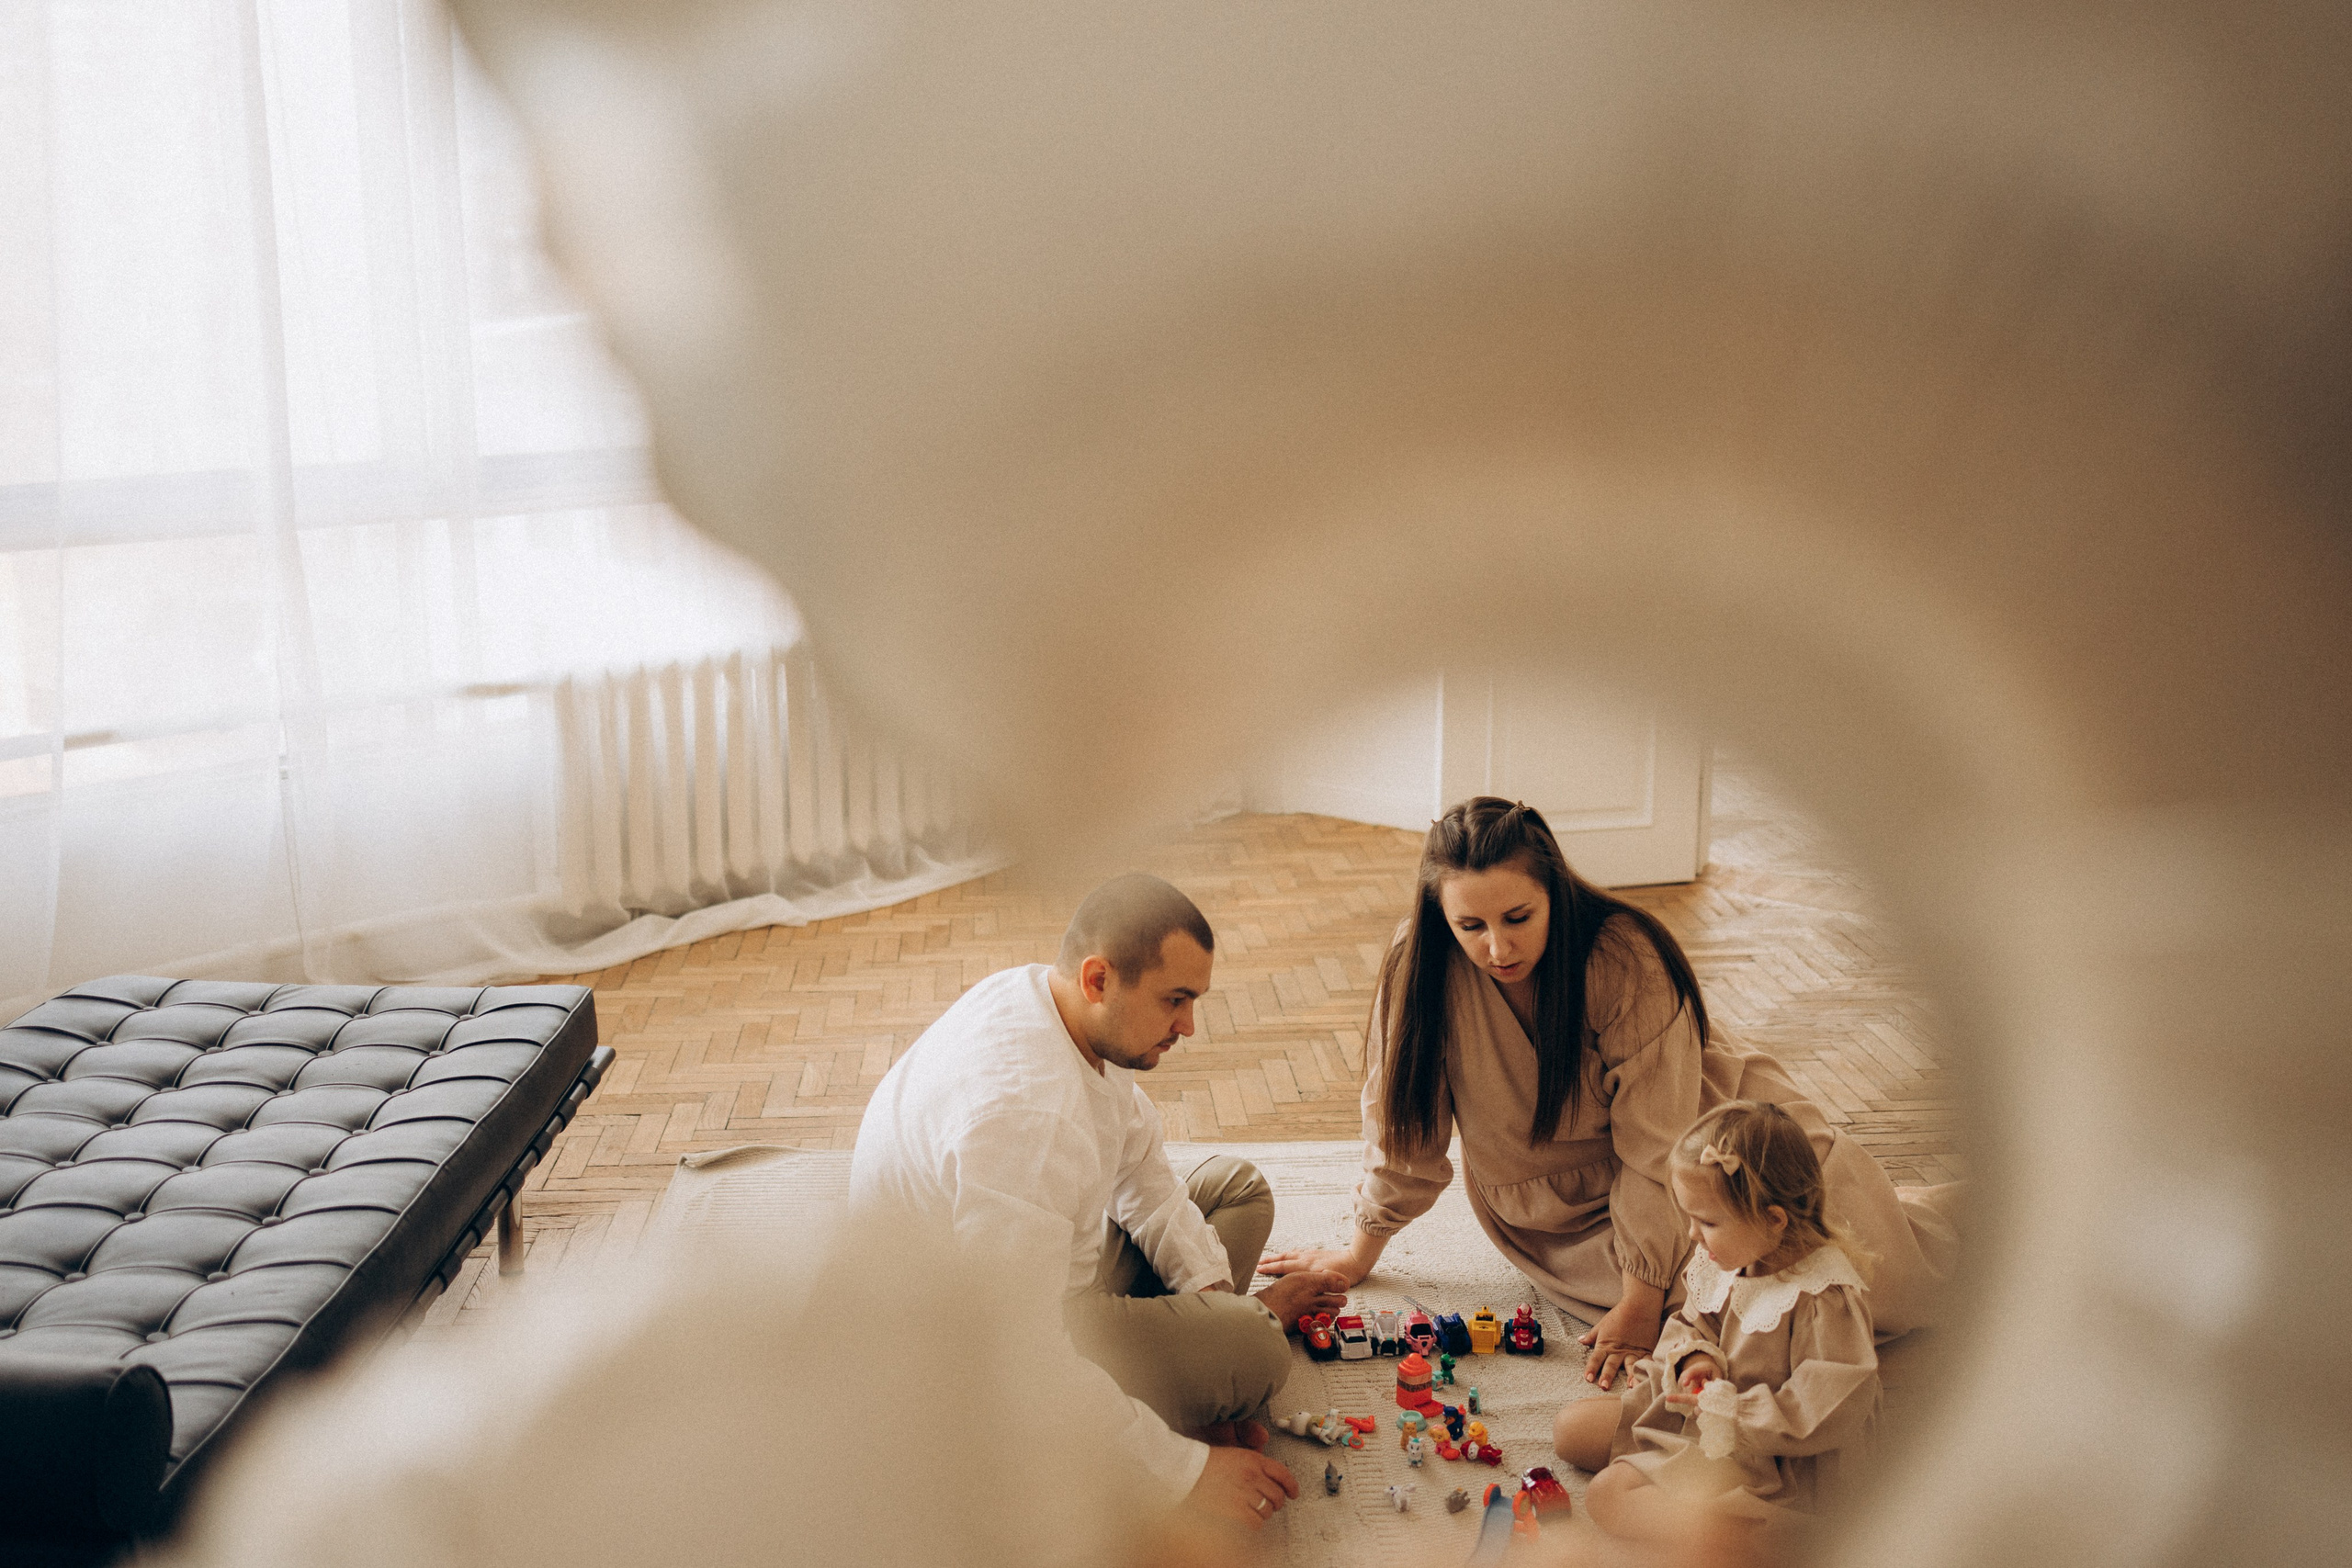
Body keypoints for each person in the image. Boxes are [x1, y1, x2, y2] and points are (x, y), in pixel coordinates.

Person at [1259, 797, 1956, 1388]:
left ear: (1554, 892)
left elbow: (1659, 1148)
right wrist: (1359, 1251)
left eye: (1518, 917)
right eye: (1470, 925)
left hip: (1707, 1162)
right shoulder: (1419, 966)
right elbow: (1403, 1131)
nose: (1497, 948)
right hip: (1559, 1222)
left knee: (1877, 1281)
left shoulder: (1626, 957)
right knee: (1753, 1327)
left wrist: (1642, 1294)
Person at [850, 872, 1349, 1529]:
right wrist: (1187, 1471)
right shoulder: (1027, 1115)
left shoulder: (1053, 1002)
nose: (1189, 1025)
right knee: (1258, 1351)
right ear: (1097, 979)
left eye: (1194, 999)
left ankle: (1204, 1358)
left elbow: (1140, 1166)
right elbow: (1021, 1355)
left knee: (1238, 1188)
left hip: (1045, 1261)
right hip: (976, 1355)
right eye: (1175, 999)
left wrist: (1215, 1305)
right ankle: (1189, 1386)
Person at [1554, 1101, 1881, 1540]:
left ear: (1773, 1220)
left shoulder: (1824, 1298)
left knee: (1609, 1495)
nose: (1692, 1235)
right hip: (1708, 1411)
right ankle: (1691, 1490)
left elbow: (1827, 1407)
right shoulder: (1733, 1255)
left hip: (1769, 1446)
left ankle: (1758, 1538)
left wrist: (1734, 1411)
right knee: (1570, 1430)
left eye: (1706, 1221)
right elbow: (1691, 1325)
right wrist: (1694, 1359)